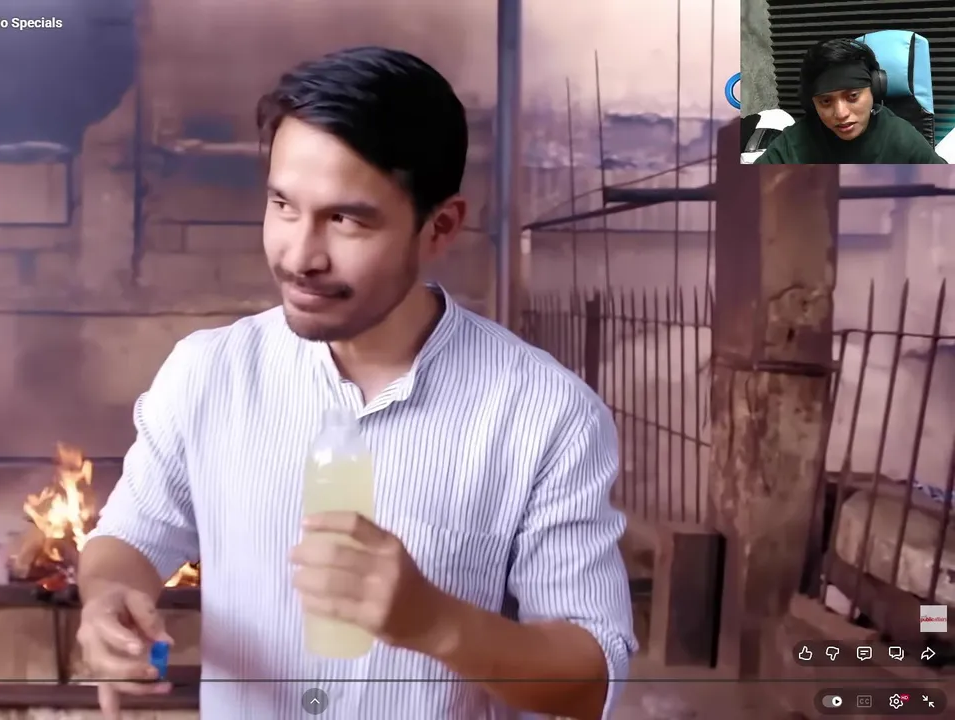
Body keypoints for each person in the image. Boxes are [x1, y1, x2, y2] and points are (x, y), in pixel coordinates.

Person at [75, 46, 636, 720]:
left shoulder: (547, 415)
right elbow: (128, 538)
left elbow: (591, 680)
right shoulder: (205, 374)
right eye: (284, 205)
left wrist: (437, 623)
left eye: (346, 219)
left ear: (440, 227)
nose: (300, 255)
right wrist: (107, 600)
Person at [754, 38, 946, 164]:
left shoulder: (900, 138)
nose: (841, 114)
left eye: (852, 96)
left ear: (875, 89)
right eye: (826, 101)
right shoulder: (794, 143)